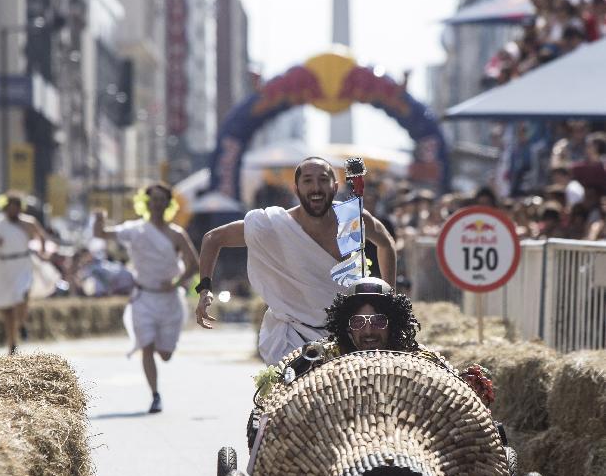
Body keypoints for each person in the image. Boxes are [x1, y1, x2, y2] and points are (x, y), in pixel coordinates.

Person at [195, 157, 397, 364]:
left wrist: (390, 297)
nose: (316, 188)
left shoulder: (351, 219)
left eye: (323, 180)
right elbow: (213, 239)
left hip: (347, 336)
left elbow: (386, 244)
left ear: (335, 187)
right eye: (308, 181)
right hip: (291, 338)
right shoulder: (274, 226)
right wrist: (205, 289)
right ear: (296, 189)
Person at [94, 183, 198, 413]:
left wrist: (176, 283)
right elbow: (101, 234)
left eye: (162, 199)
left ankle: (163, 362)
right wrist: (99, 218)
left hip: (169, 301)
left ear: (169, 204)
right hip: (144, 298)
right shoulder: (135, 230)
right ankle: (155, 395)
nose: (158, 203)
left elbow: (193, 265)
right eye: (154, 199)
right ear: (146, 203)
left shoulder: (177, 234)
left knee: (165, 354)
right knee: (147, 346)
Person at [325, 277, 495, 406]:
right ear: (347, 327)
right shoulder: (327, 362)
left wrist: (467, 389)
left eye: (378, 321)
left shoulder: (422, 361)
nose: (369, 331)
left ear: (393, 324)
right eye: (358, 322)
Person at [0, 193, 48, 354]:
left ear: (20, 208)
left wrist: (43, 251)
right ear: (5, 208)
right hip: (1, 266)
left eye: (16, 207)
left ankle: (22, 323)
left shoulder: (28, 222)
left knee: (22, 294)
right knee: (7, 309)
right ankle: (12, 344)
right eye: (10, 207)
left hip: (22, 264)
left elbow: (42, 236)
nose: (13, 210)